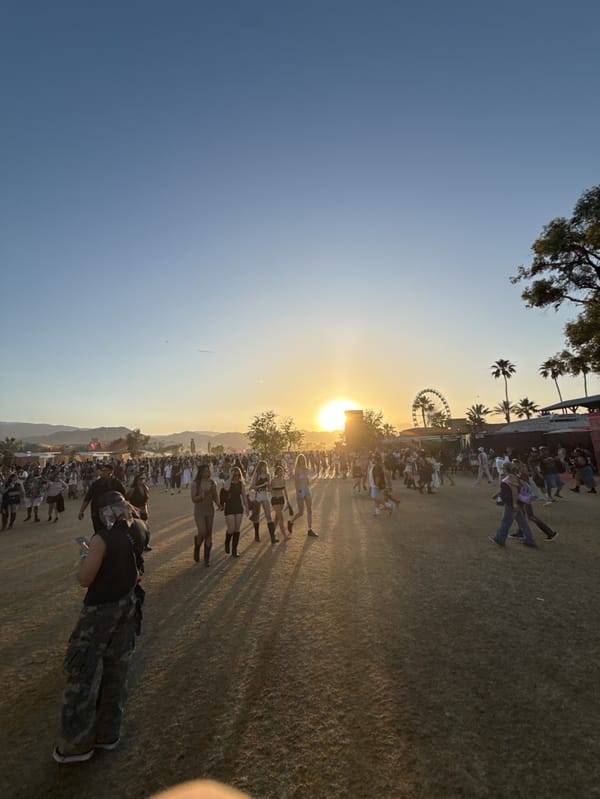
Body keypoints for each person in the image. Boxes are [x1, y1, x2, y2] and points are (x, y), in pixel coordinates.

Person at [53, 491, 146, 763]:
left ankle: (76, 745)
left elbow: (84, 578)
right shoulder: (140, 527)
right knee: (117, 669)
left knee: (81, 673)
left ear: (103, 512)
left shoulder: (102, 539)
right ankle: (108, 733)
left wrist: (85, 551)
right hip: (128, 604)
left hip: (100, 610)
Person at [489, 462, 536, 548]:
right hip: (516, 503)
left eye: (503, 467)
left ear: (506, 469)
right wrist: (496, 494)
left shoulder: (511, 477)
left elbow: (514, 491)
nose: (502, 469)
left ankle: (500, 538)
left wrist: (514, 503)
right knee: (522, 522)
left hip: (512, 503)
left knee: (506, 521)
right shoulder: (512, 476)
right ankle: (529, 539)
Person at [78, 462, 127, 533]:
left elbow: (124, 497)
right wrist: (81, 511)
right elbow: (88, 498)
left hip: (113, 511)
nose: (102, 472)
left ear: (111, 472)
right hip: (97, 511)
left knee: (114, 531)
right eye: (102, 470)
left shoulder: (116, 483)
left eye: (105, 471)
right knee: (99, 531)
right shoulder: (96, 484)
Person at [191, 463, 219, 566]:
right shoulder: (196, 484)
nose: (207, 472)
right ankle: (197, 545)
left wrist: (219, 504)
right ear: (201, 472)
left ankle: (207, 558)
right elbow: (193, 499)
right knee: (202, 532)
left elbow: (215, 496)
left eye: (208, 471)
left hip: (210, 510)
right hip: (199, 510)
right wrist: (201, 496)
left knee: (209, 534)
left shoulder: (212, 483)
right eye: (205, 471)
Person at [221, 466, 248, 558]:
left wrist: (247, 508)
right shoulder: (228, 482)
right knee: (231, 529)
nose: (236, 475)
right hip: (229, 507)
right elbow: (226, 488)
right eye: (234, 473)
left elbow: (244, 496)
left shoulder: (241, 484)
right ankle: (227, 542)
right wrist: (230, 477)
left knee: (237, 529)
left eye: (237, 473)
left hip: (238, 507)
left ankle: (234, 550)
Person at [289, 454, 318, 537]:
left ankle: (309, 529)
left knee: (309, 509)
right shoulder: (297, 469)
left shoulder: (306, 469)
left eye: (303, 459)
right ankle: (291, 521)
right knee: (301, 512)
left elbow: (308, 479)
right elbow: (296, 482)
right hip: (300, 490)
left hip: (307, 489)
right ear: (298, 460)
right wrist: (298, 491)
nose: (302, 460)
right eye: (300, 459)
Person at [249, 460, 277, 544]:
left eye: (265, 466)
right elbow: (252, 487)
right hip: (258, 495)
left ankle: (272, 537)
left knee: (268, 516)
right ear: (260, 467)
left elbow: (269, 488)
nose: (264, 468)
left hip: (264, 495)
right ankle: (256, 535)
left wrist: (271, 488)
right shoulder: (257, 475)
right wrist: (262, 484)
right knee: (256, 516)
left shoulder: (268, 475)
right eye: (263, 466)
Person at [127, 473, 153, 551]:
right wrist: (133, 509)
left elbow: (146, 500)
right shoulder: (132, 489)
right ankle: (136, 544)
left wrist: (147, 509)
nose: (142, 480)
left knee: (146, 528)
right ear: (136, 480)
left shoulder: (145, 488)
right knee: (135, 529)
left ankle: (146, 544)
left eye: (143, 479)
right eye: (140, 479)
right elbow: (126, 500)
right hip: (135, 511)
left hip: (143, 510)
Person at [270, 464, 291, 541]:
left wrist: (288, 501)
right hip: (275, 500)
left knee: (277, 518)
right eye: (279, 471)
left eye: (281, 471)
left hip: (282, 500)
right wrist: (274, 494)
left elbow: (285, 491)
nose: (280, 472)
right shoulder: (273, 480)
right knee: (281, 517)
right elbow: (270, 490)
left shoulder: (283, 480)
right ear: (276, 472)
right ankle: (285, 536)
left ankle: (272, 533)